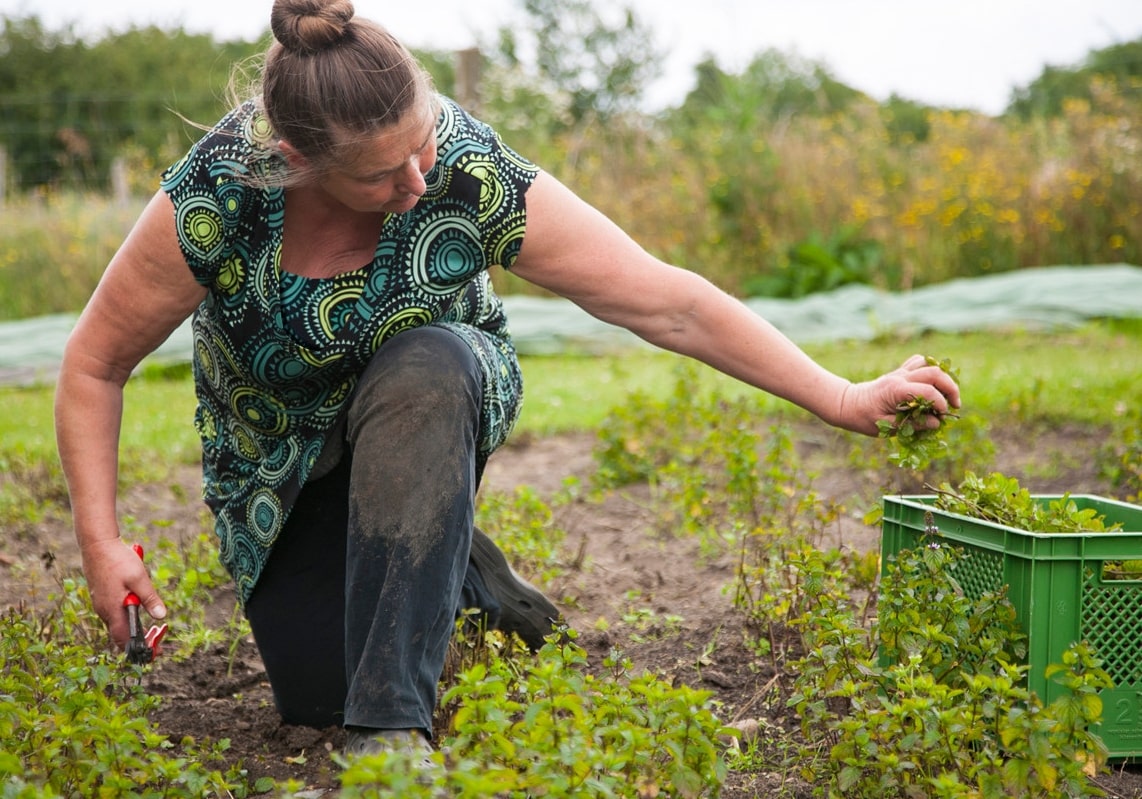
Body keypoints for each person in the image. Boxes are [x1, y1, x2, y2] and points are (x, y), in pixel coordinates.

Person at [54, 0, 960, 759]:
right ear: (297, 159)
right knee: (310, 695)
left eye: (423, 145)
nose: (418, 179)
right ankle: (468, 575)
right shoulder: (218, 193)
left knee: (428, 366)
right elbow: (95, 364)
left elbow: (665, 302)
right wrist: (102, 540)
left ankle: (391, 732)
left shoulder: (466, 168)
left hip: (432, 401)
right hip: (274, 471)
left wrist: (842, 395)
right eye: (382, 173)